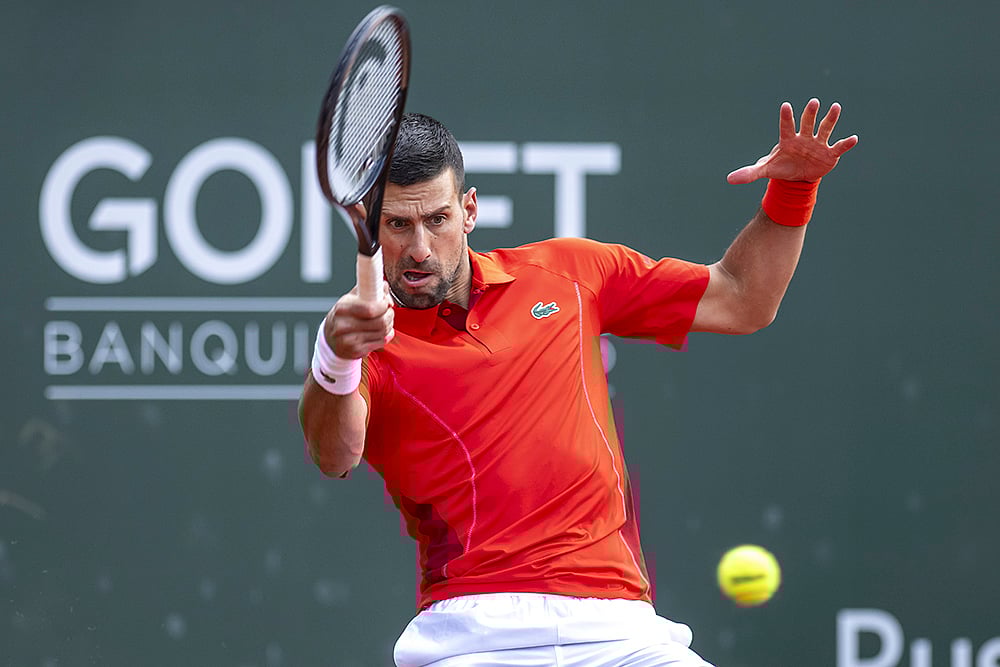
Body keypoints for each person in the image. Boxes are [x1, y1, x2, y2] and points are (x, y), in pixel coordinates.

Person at [299, 101, 858, 666]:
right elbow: (334, 454)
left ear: (469, 211)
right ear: (371, 224)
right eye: (397, 224)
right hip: (472, 637)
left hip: (619, 633)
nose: (420, 247)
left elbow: (743, 298)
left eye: (437, 219)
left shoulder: (569, 272)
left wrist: (794, 190)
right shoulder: (365, 347)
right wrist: (336, 355)